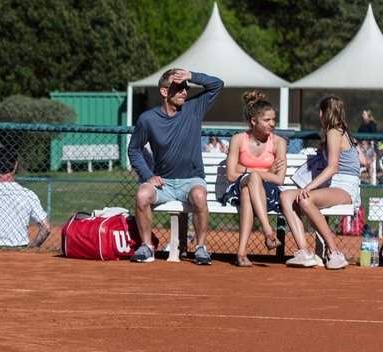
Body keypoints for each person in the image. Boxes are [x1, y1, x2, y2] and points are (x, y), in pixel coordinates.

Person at [127, 67, 224, 265]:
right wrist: (147, 174)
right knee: (142, 195)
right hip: (164, 184)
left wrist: (192, 76)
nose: (184, 91)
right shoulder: (148, 119)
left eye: (185, 87)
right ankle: (146, 247)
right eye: (178, 87)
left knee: (199, 195)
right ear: (164, 92)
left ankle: (201, 248)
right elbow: (134, 149)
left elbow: (217, 85)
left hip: (191, 181)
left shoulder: (194, 107)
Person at [280, 95, 360, 270]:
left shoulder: (334, 131)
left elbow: (333, 168)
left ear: (321, 113)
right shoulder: (340, 132)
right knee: (286, 196)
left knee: (305, 198)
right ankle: (305, 253)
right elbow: (360, 160)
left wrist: (308, 186)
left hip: (344, 187)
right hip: (333, 185)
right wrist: (326, 151)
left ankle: (335, 251)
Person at [221, 91, 287, 266]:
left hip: (267, 191)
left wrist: (249, 171)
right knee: (250, 181)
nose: (272, 124)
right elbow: (230, 175)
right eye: (267, 120)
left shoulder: (279, 142)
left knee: (247, 191)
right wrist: (262, 172)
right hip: (237, 185)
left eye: (274, 119)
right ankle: (268, 231)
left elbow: (279, 179)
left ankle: (241, 254)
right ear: (253, 121)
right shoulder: (237, 140)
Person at [359, 109, 377, 185]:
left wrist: (374, 152)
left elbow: (374, 137)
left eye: (364, 114)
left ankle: (372, 181)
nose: (362, 115)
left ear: (368, 115)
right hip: (362, 147)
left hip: (370, 148)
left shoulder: (372, 124)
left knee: (371, 164)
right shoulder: (362, 125)